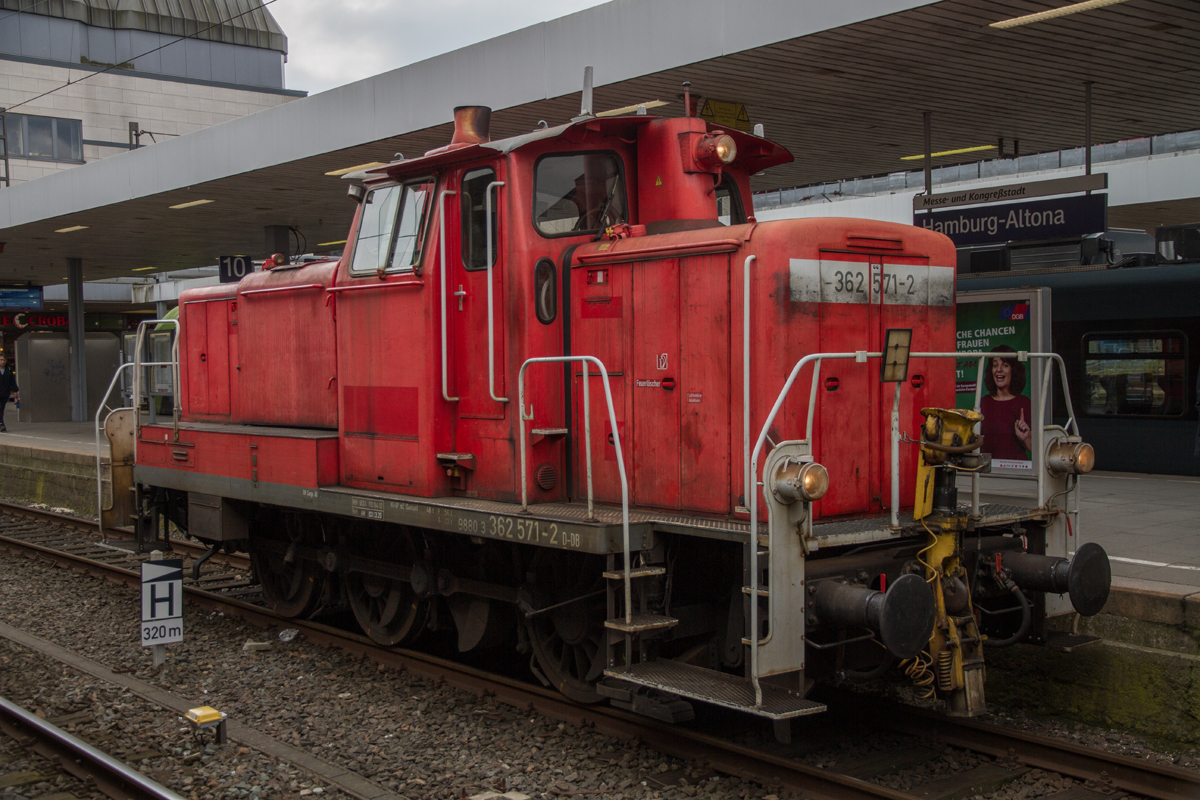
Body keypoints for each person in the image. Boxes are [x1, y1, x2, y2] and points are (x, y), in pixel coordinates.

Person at [980, 344, 1032, 462]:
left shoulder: (1024, 403)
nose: (999, 369)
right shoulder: (983, 402)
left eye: (1005, 365)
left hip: (1016, 472)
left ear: (1013, 370)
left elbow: (1032, 448)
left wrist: (1025, 438)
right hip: (988, 471)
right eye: (995, 365)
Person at [0, 351, 17, 433]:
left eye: (3, 360)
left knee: (2, 409)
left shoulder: (9, 369)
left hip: (5, 392)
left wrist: (15, 390)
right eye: (0, 360)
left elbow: (12, 381)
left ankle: (1, 424)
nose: (2, 362)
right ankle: (1, 424)